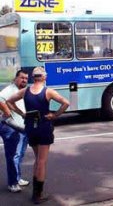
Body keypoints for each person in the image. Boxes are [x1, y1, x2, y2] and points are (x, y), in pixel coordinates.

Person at [7, 67, 69, 204]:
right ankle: (37, 195)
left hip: (30, 126)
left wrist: (22, 113)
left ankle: (36, 192)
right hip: (43, 127)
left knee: (37, 159)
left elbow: (9, 102)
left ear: (33, 77)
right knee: (42, 161)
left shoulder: (25, 91)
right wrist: (55, 115)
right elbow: (66, 103)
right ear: (44, 77)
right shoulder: (48, 92)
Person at [0, 70, 29, 193]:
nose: (24, 80)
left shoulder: (21, 90)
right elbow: (0, 99)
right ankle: (12, 183)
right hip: (10, 127)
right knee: (12, 156)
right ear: (16, 78)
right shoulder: (10, 90)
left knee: (19, 154)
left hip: (21, 127)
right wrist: (7, 113)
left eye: (26, 78)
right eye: (22, 78)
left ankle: (17, 178)